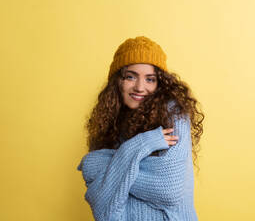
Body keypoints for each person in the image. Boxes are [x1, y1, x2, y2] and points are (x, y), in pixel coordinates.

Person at [77, 36, 204, 221]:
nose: (139, 87)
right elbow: (104, 211)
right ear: (117, 81)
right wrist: (140, 145)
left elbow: (169, 189)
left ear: (160, 84)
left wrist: (109, 170)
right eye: (130, 77)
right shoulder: (108, 123)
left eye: (150, 79)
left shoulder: (173, 114)